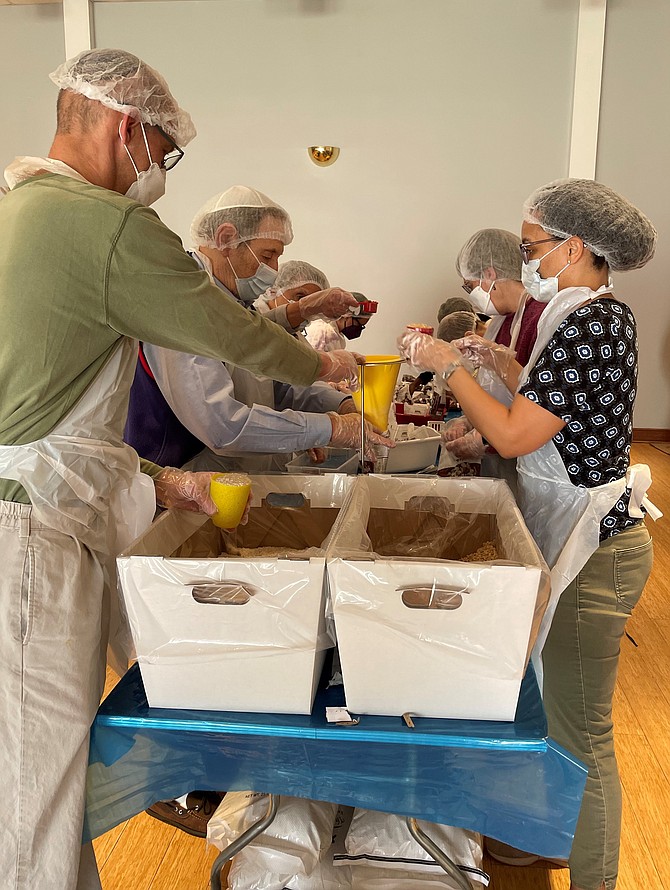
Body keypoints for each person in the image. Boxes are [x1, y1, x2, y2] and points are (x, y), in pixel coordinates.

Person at [0, 48, 360, 890]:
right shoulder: (104, 223)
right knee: (34, 781)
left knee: (39, 771)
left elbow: (49, 411)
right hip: (25, 541)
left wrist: (154, 483)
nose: (157, 174)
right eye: (162, 154)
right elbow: (227, 335)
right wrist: (325, 370)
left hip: (36, 507)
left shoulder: (22, 206)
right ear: (128, 127)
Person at [399, 177, 658, 890]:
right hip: (578, 531)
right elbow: (546, 402)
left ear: (574, 246)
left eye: (531, 244)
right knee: (559, 722)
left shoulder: (593, 323)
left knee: (583, 743)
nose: (525, 257)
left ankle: (595, 875)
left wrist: (451, 367)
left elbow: (516, 436)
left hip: (595, 550)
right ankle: (543, 833)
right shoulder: (573, 314)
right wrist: (497, 365)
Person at [125, 186, 386, 476]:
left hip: (232, 481)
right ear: (226, 239)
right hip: (176, 486)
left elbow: (274, 386)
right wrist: (328, 427)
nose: (274, 270)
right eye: (267, 255)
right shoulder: (183, 301)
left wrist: (339, 403)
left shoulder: (232, 302)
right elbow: (223, 427)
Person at [444, 228, 547, 493]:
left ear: (490, 275)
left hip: (534, 464)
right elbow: (496, 389)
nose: (471, 294)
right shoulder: (500, 322)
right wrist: (469, 421)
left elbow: (541, 401)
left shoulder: (540, 317)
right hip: (502, 457)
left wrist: (483, 438)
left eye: (470, 285)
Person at [253, 258, 330, 315]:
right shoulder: (250, 322)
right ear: (274, 291)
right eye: (300, 298)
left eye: (313, 304)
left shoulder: (295, 334)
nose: (306, 307)